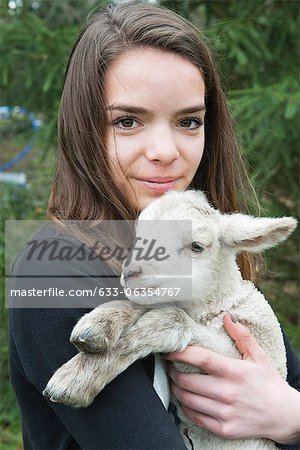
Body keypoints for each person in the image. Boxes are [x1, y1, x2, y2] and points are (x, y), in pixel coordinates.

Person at [8, 2, 300, 449]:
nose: (165, 150)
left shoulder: (199, 250)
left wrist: (288, 416)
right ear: (85, 128)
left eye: (188, 121)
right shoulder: (55, 275)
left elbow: (287, 384)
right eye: (127, 121)